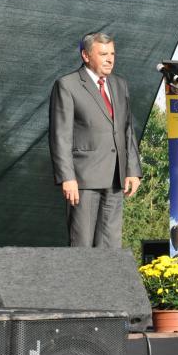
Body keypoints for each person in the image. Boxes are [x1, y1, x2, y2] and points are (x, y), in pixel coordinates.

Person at [49, 32, 142, 247]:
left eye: (112, 54)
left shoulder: (119, 84)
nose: (110, 59)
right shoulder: (67, 84)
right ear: (86, 55)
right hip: (84, 179)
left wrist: (132, 170)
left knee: (110, 246)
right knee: (83, 245)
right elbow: (60, 135)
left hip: (115, 178)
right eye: (103, 54)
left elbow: (127, 129)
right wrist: (67, 177)